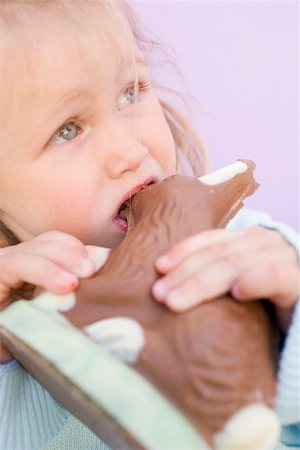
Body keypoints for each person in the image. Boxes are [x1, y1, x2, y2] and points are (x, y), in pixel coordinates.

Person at [0, 1, 298, 449]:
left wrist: (288, 317)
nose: (131, 150)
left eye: (130, 91)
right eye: (67, 130)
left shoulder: (241, 251)